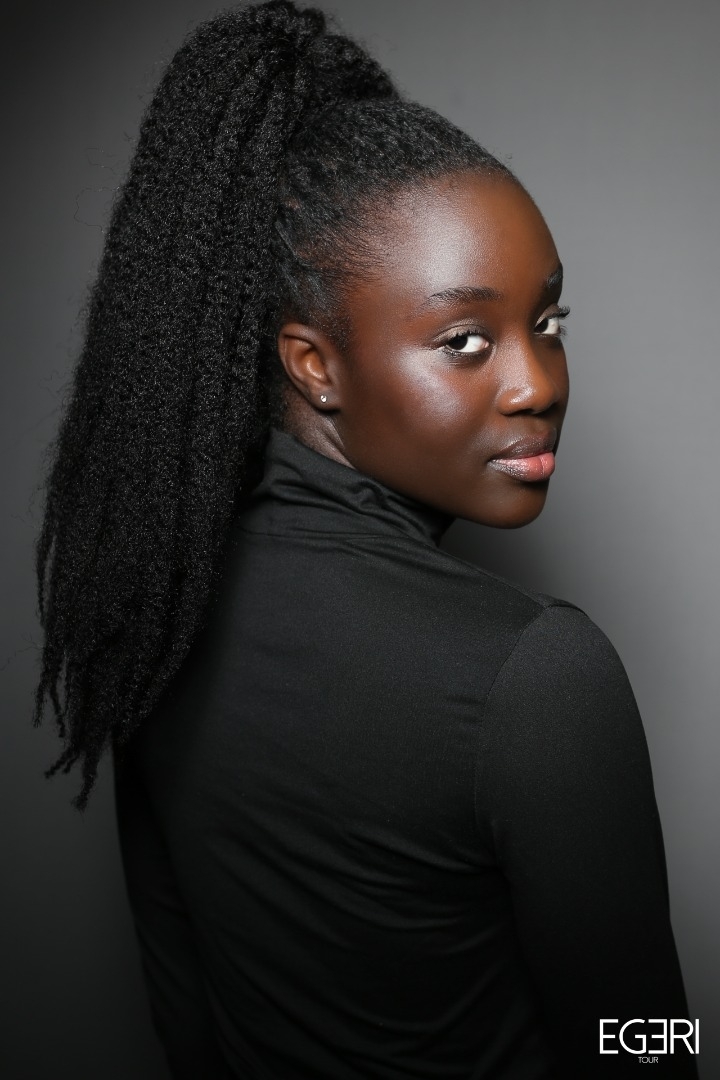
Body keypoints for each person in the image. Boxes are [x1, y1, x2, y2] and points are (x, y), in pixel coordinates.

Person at [33, 2, 698, 1077]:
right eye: (466, 339)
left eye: (549, 322)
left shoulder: (154, 604)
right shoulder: (537, 678)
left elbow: (186, 1015)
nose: (538, 382)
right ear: (316, 366)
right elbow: (646, 1046)